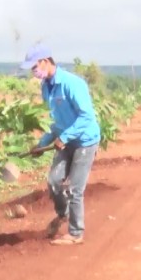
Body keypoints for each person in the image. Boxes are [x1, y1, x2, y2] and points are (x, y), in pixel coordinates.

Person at [21, 44, 101, 246]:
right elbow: (56, 122)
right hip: (65, 140)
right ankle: (63, 214)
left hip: (84, 140)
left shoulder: (72, 84)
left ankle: (76, 233)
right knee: (54, 181)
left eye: (34, 67)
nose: (34, 72)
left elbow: (86, 117)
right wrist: (42, 143)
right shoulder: (46, 87)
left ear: (46, 62)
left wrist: (65, 138)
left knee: (75, 188)